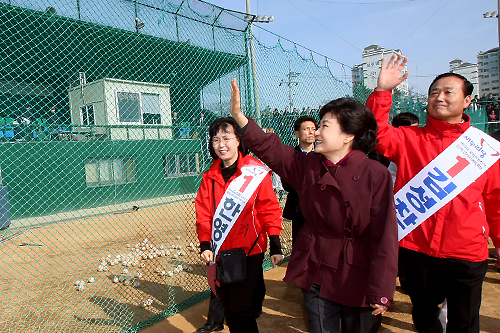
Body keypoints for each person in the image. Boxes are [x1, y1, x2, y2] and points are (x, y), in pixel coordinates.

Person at [230, 78, 398, 333]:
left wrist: (382, 289)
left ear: (348, 135)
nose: (316, 132)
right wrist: (240, 118)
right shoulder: (308, 166)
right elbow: (271, 148)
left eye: (324, 126)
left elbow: (384, 235)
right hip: (317, 266)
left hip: (358, 274)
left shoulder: (375, 174)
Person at [366, 53, 500, 333]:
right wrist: (382, 91)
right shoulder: (409, 139)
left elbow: (496, 202)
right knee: (424, 316)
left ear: (467, 101)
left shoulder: (485, 149)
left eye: (448, 92)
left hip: (466, 253)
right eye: (433, 92)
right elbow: (374, 132)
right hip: (416, 249)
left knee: (464, 323)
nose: (439, 97)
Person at [195, 117, 284, 333]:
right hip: (221, 252)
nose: (221, 144)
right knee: (228, 307)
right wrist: (205, 244)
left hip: (249, 251)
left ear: (238, 141)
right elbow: (204, 214)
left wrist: (275, 243)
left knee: (241, 308)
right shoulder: (209, 177)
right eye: (215, 140)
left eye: (226, 138)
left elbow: (268, 209)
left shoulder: (254, 174)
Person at [281, 115, 317, 245]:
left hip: (320, 207)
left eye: (313, 128)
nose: (311, 132)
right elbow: (286, 183)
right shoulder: (290, 156)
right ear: (297, 133)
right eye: (306, 129)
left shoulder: (323, 154)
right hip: (298, 208)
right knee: (299, 243)